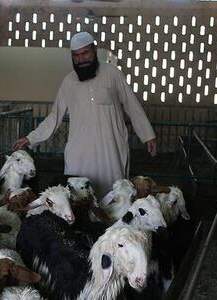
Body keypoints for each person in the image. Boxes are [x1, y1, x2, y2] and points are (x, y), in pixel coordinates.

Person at [11, 31, 157, 196]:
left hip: (111, 151)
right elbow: (55, 116)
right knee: (79, 197)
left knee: (114, 194)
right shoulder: (69, 82)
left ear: (94, 50)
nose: (81, 59)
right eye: (76, 56)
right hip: (80, 153)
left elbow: (132, 105)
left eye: (85, 53)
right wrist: (31, 138)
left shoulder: (113, 73)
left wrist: (148, 135)